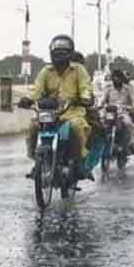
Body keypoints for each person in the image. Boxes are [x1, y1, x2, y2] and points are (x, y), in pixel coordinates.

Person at [19, 35, 93, 179]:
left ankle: (78, 162)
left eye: (63, 51)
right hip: (49, 112)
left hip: (72, 111)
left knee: (77, 126)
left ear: (70, 53)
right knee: (33, 127)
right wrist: (28, 99)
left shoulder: (79, 70)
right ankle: (37, 161)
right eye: (56, 51)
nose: (59, 55)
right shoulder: (46, 71)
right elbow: (36, 89)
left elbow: (85, 87)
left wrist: (85, 98)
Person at [99, 69, 134, 154]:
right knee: (101, 123)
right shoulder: (108, 88)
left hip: (123, 112)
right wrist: (99, 105)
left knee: (128, 123)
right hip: (110, 113)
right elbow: (102, 99)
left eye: (118, 78)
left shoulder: (127, 89)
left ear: (122, 78)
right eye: (114, 78)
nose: (116, 80)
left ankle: (132, 143)